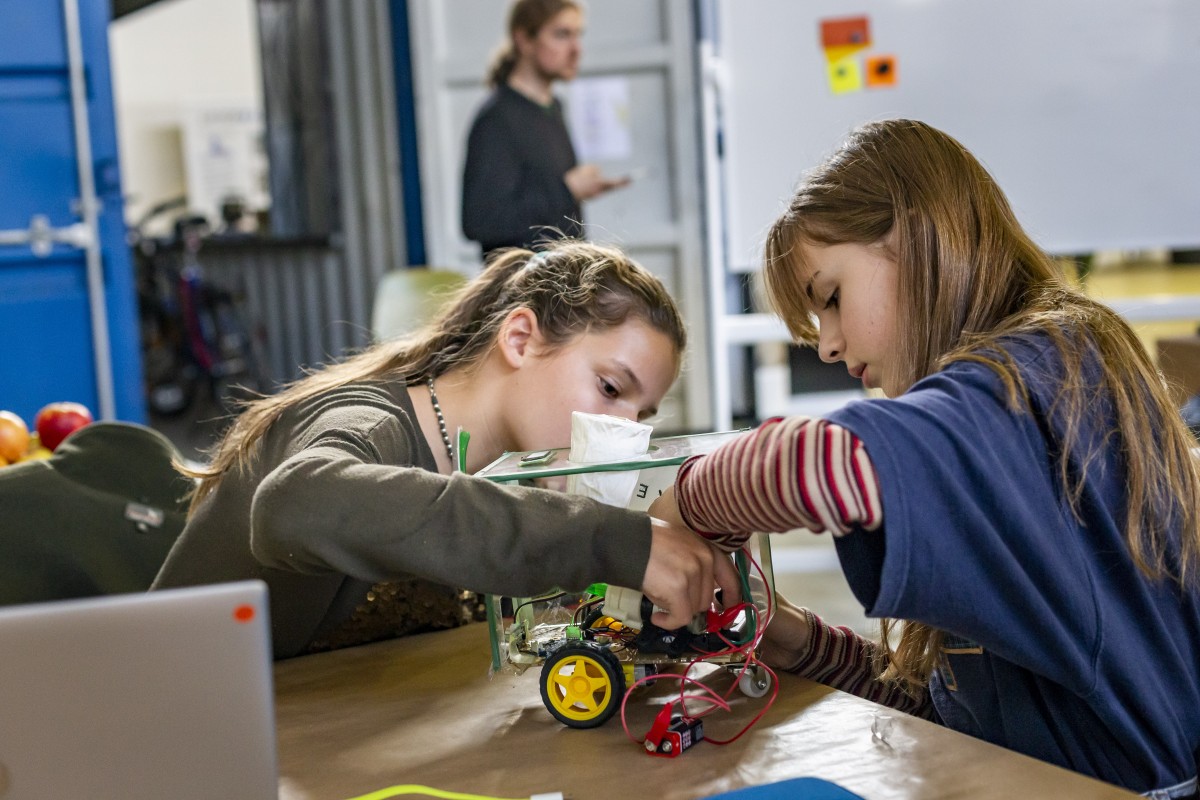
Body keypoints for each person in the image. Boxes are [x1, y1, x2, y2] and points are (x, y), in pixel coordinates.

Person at [650, 119, 1200, 797]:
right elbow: (949, 721)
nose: (825, 345)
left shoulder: (1046, 370)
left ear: (917, 238)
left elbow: (820, 465)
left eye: (831, 297)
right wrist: (788, 638)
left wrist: (684, 507)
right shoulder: (997, 418)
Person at [152, 240, 730, 660]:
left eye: (641, 415)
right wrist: (604, 540)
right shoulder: (366, 419)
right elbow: (292, 505)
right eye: (610, 388)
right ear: (521, 339)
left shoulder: (512, 474)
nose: (624, 427)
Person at [461, 0, 629, 258]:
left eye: (578, 35)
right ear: (524, 40)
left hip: (564, 284)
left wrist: (577, 190)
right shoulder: (497, 119)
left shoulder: (553, 108)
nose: (576, 49)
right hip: (524, 291)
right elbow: (481, 221)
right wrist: (566, 189)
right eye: (562, 34)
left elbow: (549, 204)